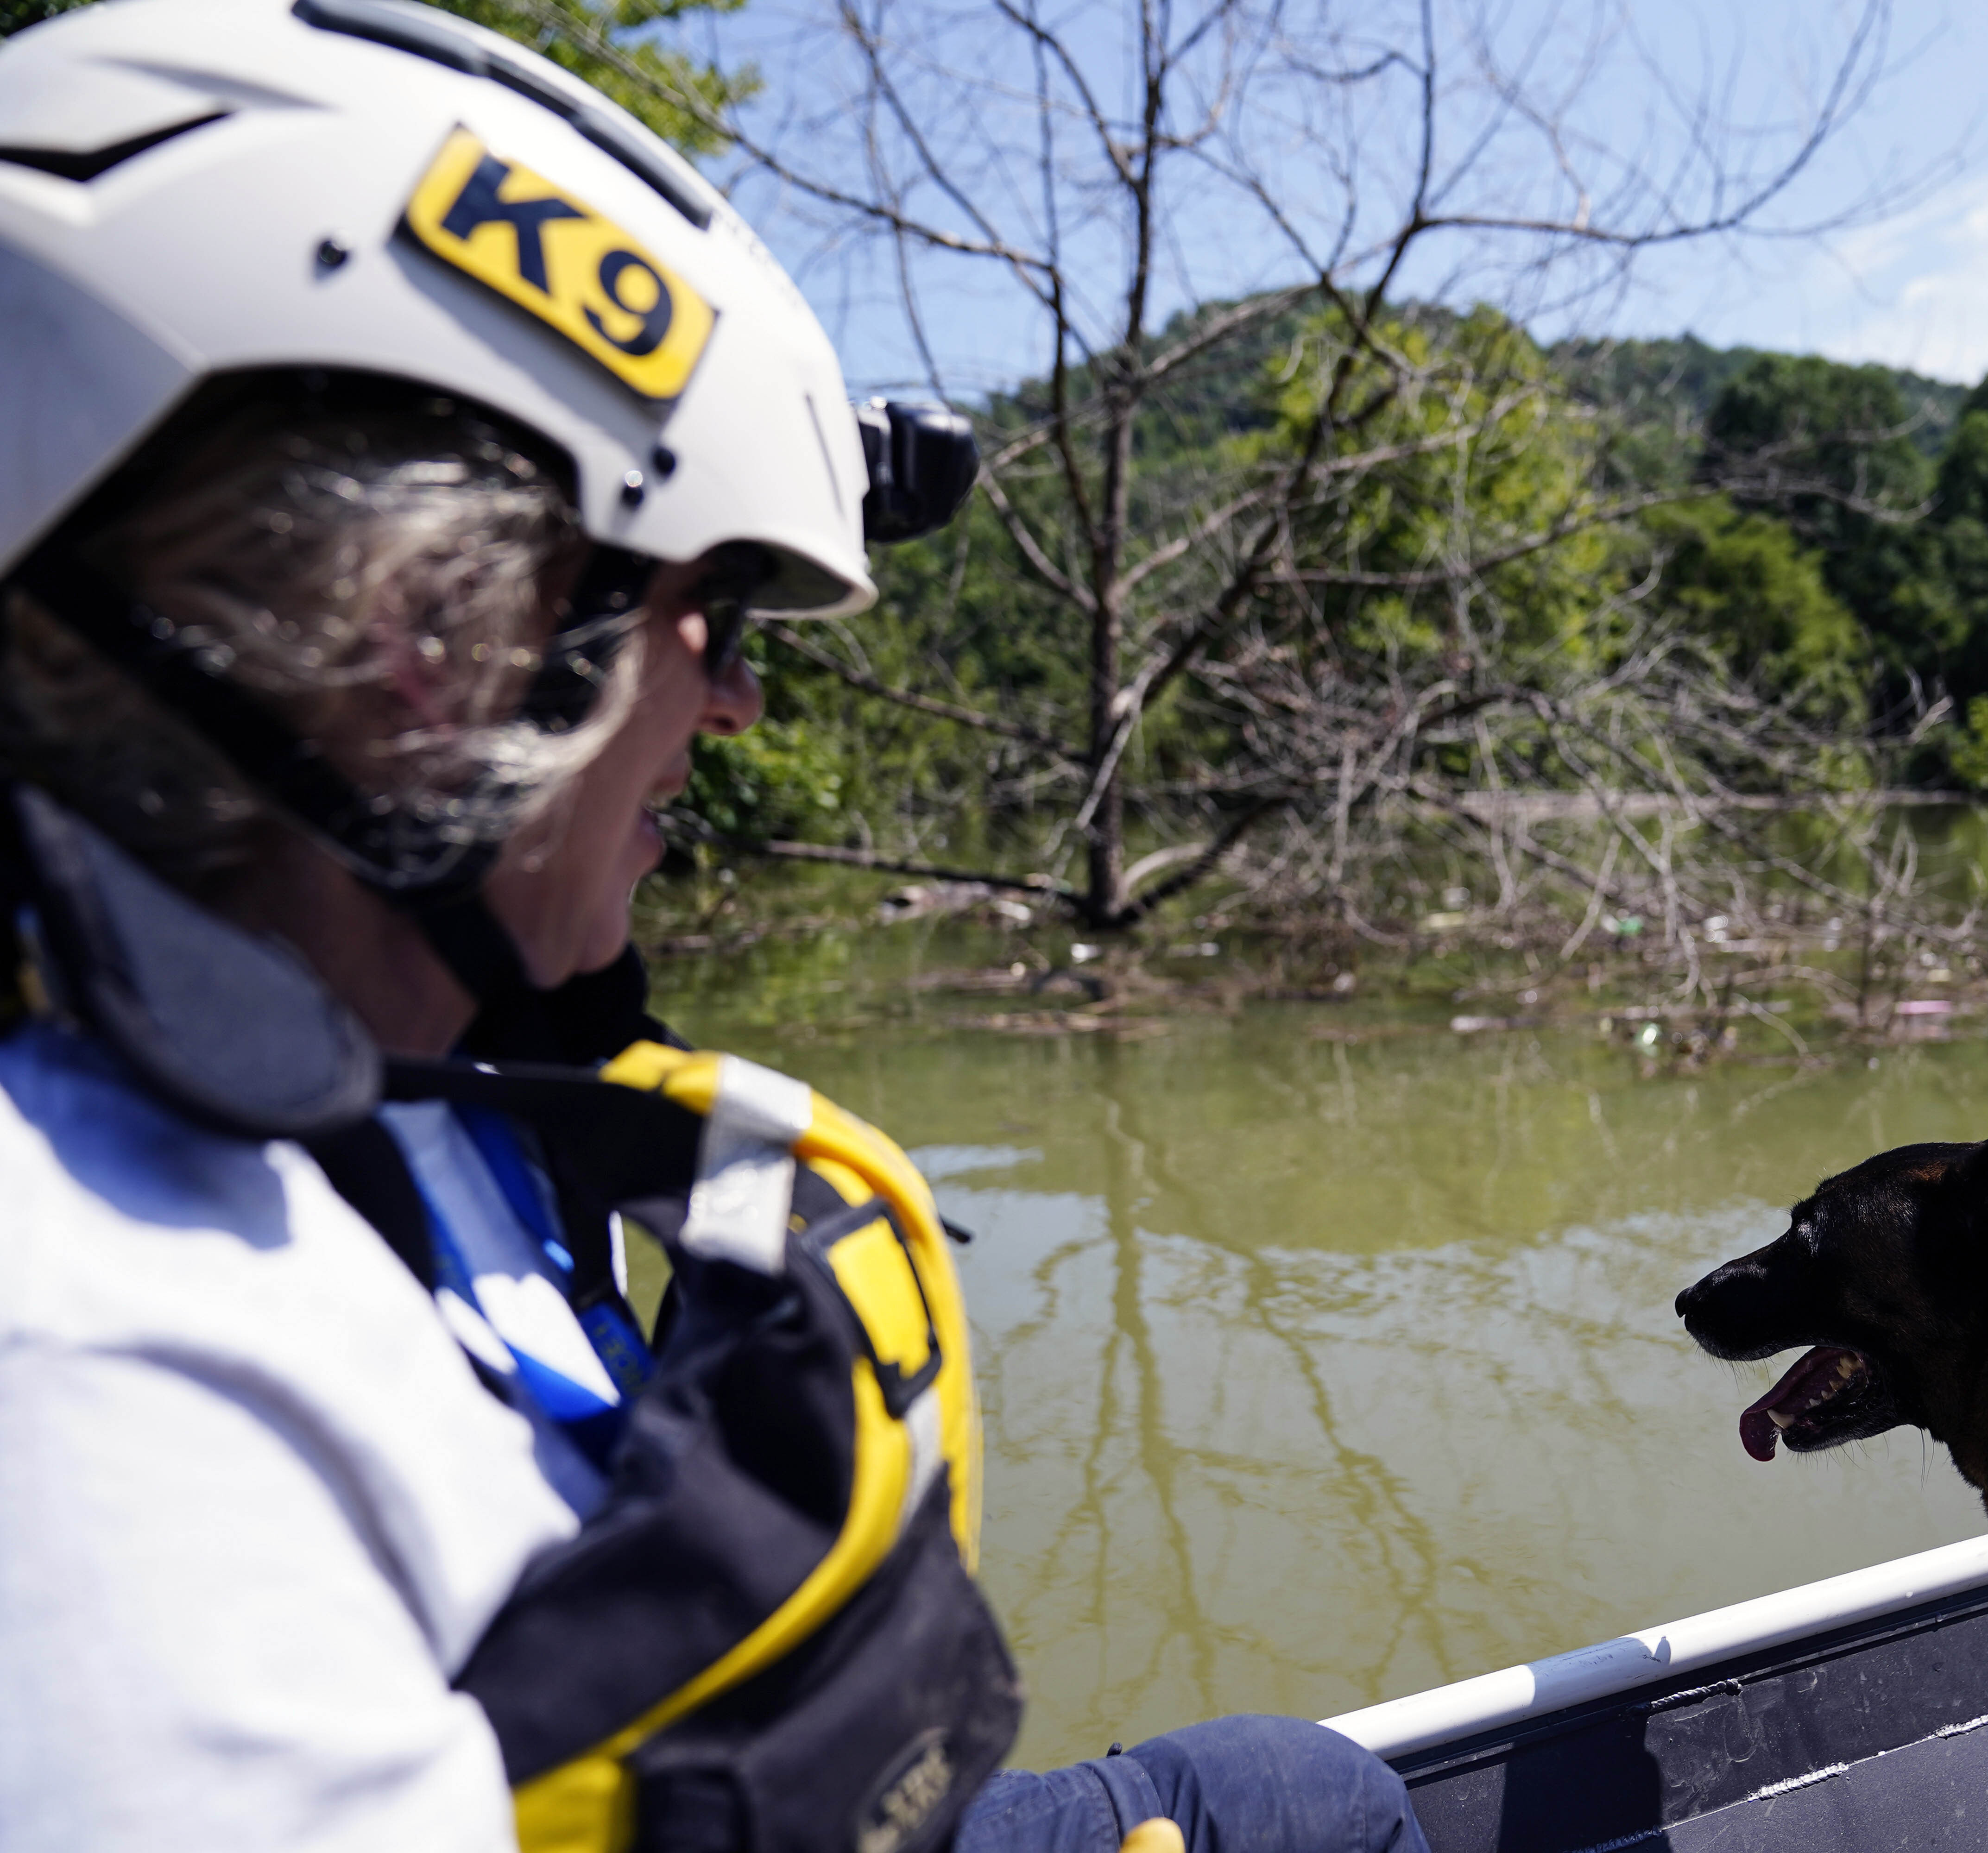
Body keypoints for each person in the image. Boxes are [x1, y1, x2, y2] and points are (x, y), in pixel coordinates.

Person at [0, 6, 1429, 1852]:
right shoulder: (91, 1381)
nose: (739, 706)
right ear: (438, 626)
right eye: (721, 615)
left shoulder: (359, 1072)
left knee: (1298, 1790)